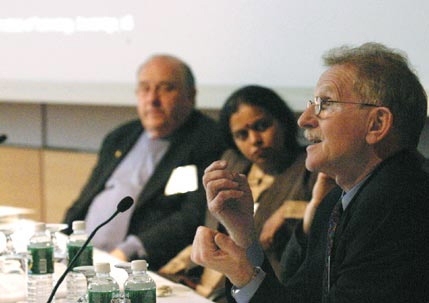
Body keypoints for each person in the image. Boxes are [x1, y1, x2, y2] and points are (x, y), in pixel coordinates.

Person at [191, 42, 429, 303]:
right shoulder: (336, 198)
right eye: (311, 103)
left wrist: (243, 275)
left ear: (377, 124)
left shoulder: (403, 206)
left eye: (324, 104)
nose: (303, 119)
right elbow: (299, 296)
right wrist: (244, 234)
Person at [63, 54, 226, 270]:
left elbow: (191, 217)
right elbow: (86, 198)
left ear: (191, 95)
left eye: (165, 88)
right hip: (81, 255)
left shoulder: (208, 140)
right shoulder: (120, 136)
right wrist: (63, 237)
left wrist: (127, 251)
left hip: (137, 265)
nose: (152, 99)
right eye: (145, 88)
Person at [159, 85, 318, 297]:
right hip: (203, 283)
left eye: (262, 126)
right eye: (242, 134)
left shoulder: (310, 166)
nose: (255, 140)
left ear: (283, 121)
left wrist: (289, 209)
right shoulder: (231, 163)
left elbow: (329, 208)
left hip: (262, 291)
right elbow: (213, 230)